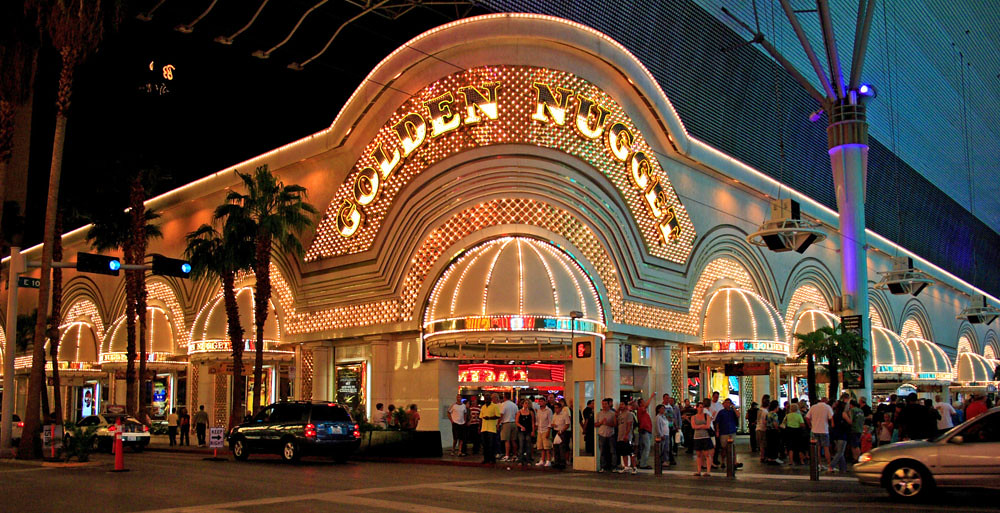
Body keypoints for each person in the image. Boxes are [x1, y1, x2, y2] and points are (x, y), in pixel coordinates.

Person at [805, 397, 834, 470]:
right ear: (826, 401)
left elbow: (807, 417)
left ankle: (819, 465)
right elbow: (831, 418)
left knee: (817, 449)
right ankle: (829, 466)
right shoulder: (827, 407)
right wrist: (832, 425)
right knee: (826, 448)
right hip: (824, 430)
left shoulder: (813, 407)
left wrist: (810, 425)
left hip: (814, 430)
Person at [715, 398, 740, 471]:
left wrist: (734, 408)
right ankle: (723, 461)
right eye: (726, 403)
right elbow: (717, 422)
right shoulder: (721, 412)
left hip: (732, 431)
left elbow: (738, 415)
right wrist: (717, 431)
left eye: (729, 403)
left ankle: (734, 462)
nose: (727, 404)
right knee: (724, 447)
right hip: (724, 432)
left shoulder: (732, 412)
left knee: (733, 447)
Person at [690, 400, 714, 476]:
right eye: (700, 407)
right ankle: (699, 470)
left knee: (707, 454)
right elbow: (693, 426)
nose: (701, 409)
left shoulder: (706, 416)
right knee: (698, 454)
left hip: (705, 436)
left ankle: (708, 471)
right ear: (697, 408)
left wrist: (699, 426)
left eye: (702, 407)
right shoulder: (693, 417)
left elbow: (707, 426)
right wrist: (702, 426)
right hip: (697, 437)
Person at [595, 398, 617, 472]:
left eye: (605, 404)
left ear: (609, 404)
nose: (604, 405)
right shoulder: (599, 413)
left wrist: (607, 423)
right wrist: (601, 423)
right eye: (603, 404)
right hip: (602, 434)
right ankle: (603, 466)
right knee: (602, 451)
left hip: (610, 434)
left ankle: (613, 466)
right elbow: (595, 424)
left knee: (612, 451)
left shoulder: (612, 413)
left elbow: (615, 424)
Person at [615, 401, 636, 474]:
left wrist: (627, 434)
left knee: (631, 452)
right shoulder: (620, 415)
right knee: (624, 452)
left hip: (627, 436)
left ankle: (634, 467)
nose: (621, 406)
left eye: (622, 404)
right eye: (620, 404)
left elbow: (629, 425)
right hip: (620, 436)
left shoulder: (629, 414)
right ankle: (626, 466)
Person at [479, 394, 501, 464]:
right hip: (484, 428)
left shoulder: (494, 406)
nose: (486, 400)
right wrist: (479, 427)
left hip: (491, 428)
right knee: (485, 445)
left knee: (491, 444)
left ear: (490, 399)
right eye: (486, 399)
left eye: (488, 399)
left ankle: (492, 458)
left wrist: (489, 418)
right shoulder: (483, 407)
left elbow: (498, 416)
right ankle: (486, 458)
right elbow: (481, 418)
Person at [635, 392, 655, 469]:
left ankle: (640, 461)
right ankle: (643, 463)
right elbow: (646, 405)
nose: (645, 403)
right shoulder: (640, 410)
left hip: (646, 430)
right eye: (643, 402)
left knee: (643, 447)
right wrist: (651, 397)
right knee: (647, 447)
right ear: (640, 404)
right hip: (645, 430)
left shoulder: (643, 412)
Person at [829, 399, 849, 473]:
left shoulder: (834, 414)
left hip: (836, 434)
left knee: (840, 451)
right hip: (842, 434)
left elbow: (833, 425)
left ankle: (843, 468)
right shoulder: (843, 414)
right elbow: (850, 422)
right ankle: (831, 465)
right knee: (840, 452)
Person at [551, 401, 571, 469]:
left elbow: (567, 424)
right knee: (555, 448)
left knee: (562, 448)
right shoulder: (554, 415)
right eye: (554, 408)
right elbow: (552, 422)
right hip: (555, 431)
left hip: (562, 432)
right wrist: (553, 425)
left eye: (557, 408)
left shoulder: (564, 414)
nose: (555, 409)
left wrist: (562, 430)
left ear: (560, 408)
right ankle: (557, 461)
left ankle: (562, 462)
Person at [516, 398, 535, 464]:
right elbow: (517, 422)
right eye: (525, 403)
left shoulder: (531, 412)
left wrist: (533, 430)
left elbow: (532, 422)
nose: (526, 405)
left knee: (528, 445)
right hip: (521, 430)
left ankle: (528, 459)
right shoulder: (519, 412)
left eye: (527, 403)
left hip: (528, 430)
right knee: (521, 444)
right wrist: (521, 426)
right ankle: (520, 459)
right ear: (522, 404)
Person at [499, 395, 518, 461]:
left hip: (506, 423)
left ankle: (507, 455)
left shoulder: (503, 405)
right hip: (514, 423)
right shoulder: (514, 405)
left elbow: (501, 414)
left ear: (504, 397)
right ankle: (515, 455)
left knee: (506, 440)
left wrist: (498, 423)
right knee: (513, 440)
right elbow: (517, 414)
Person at [764, 400, 783, 465]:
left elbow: (765, 422)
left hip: (768, 431)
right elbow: (775, 424)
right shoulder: (774, 414)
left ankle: (769, 458)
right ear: (776, 407)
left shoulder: (768, 413)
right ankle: (774, 458)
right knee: (775, 445)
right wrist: (778, 428)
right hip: (773, 431)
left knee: (769, 445)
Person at [535, 400, 553, 466]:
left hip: (546, 429)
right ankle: (542, 460)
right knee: (541, 446)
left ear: (545, 402)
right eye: (539, 402)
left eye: (542, 401)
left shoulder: (549, 411)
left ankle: (548, 460)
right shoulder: (538, 411)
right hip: (540, 430)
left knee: (547, 446)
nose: (540, 403)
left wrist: (549, 430)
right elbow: (537, 420)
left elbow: (550, 421)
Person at [708, 391, 723, 466]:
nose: (716, 398)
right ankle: (711, 459)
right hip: (712, 423)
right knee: (713, 443)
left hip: (719, 423)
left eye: (717, 397)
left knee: (718, 443)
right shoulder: (710, 405)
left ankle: (715, 459)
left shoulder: (720, 405)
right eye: (715, 397)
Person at [654, 404, 672, 468]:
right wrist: (661, 434)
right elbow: (658, 427)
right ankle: (661, 460)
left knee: (666, 448)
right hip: (662, 435)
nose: (663, 410)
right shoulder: (658, 417)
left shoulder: (664, 417)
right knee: (662, 448)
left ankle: (665, 460)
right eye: (662, 408)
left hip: (666, 434)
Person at [756, 394, 771, 463]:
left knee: (761, 444)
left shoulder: (759, 410)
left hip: (758, 428)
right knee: (763, 444)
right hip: (763, 429)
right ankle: (763, 456)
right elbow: (765, 421)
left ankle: (761, 456)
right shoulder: (765, 412)